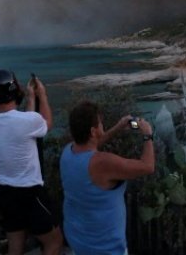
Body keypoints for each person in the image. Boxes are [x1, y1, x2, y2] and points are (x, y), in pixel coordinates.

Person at [0, 69, 63, 255]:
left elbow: (26, 121)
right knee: (54, 241)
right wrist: (42, 95)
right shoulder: (25, 122)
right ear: (11, 89)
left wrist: (31, 98)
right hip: (30, 192)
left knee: (15, 244)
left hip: (5, 191)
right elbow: (46, 123)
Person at [60, 100, 155, 255]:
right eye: (100, 124)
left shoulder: (68, 152)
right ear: (93, 131)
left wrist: (118, 127)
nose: (102, 126)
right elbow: (148, 166)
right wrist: (147, 135)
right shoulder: (102, 163)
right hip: (105, 248)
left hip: (78, 241)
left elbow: (91, 144)